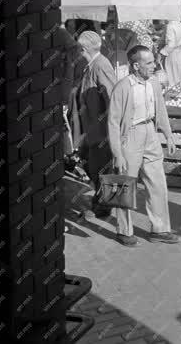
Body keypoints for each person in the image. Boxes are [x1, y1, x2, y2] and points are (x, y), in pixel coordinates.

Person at [107, 45, 181, 247]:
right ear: (135, 65)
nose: (154, 65)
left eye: (153, 61)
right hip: (130, 135)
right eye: (148, 62)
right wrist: (118, 153)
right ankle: (124, 230)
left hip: (150, 133)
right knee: (125, 183)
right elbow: (113, 122)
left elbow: (161, 109)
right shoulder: (123, 87)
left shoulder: (154, 83)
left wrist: (168, 134)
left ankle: (160, 229)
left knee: (158, 183)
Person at [75, 31, 117, 220]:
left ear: (84, 49)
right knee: (91, 164)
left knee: (101, 168)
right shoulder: (93, 65)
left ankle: (102, 207)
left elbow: (112, 98)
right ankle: (100, 203)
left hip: (102, 130)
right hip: (93, 129)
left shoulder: (100, 66)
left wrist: (112, 129)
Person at [159, 19, 181, 88]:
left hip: (173, 53)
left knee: (173, 77)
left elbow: (171, 44)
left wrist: (162, 54)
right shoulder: (180, 24)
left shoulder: (170, 26)